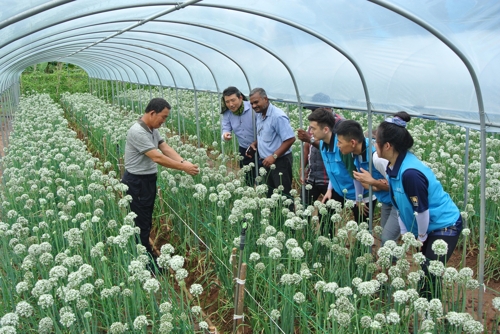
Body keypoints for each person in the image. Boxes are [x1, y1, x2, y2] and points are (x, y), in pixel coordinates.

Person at [375, 111, 462, 298]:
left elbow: (421, 210)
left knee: (430, 271)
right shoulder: (392, 166)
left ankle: (429, 315)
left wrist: (420, 237)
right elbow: (399, 206)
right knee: (424, 269)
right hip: (427, 224)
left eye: (376, 141)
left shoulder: (410, 173)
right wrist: (407, 234)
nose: (374, 145)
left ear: (387, 145)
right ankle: (425, 310)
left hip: (444, 225)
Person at [122, 98, 200, 272]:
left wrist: (184, 161)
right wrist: (183, 167)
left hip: (147, 180)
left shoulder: (151, 129)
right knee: (141, 222)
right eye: (163, 117)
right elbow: (157, 157)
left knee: (146, 219)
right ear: (152, 113)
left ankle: (147, 256)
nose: (163, 122)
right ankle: (146, 263)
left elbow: (165, 147)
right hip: (136, 182)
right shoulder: (137, 131)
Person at [307, 108, 371, 235]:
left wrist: (359, 199)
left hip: (360, 193)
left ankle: (361, 252)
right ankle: (327, 245)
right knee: (324, 213)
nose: (310, 132)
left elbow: (356, 175)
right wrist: (330, 190)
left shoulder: (342, 146)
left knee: (362, 227)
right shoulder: (322, 144)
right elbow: (332, 171)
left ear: (325, 130)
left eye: (313, 128)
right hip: (340, 190)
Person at [335, 120, 400, 245]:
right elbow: (364, 182)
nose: (338, 145)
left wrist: (373, 182)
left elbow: (398, 186)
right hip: (387, 200)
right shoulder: (356, 154)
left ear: (353, 142)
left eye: (340, 142)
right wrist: (374, 186)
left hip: (399, 202)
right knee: (384, 237)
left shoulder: (377, 157)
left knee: (387, 239)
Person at [246, 88, 296, 199]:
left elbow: (290, 139)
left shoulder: (277, 116)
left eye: (256, 102)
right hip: (266, 161)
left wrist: (274, 156)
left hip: (280, 161)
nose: (254, 106)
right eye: (252, 103)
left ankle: (287, 216)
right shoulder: (259, 115)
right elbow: (265, 135)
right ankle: (274, 216)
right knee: (270, 194)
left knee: (284, 195)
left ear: (265, 99)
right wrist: (255, 144)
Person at [296, 93, 344, 206]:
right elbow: (307, 146)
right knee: (303, 210)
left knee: (326, 217)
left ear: (326, 108)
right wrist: (303, 167)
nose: (313, 113)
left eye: (314, 110)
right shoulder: (315, 121)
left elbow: (335, 148)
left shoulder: (341, 124)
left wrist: (310, 139)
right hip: (312, 175)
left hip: (330, 179)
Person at [221, 86, 258, 186]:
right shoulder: (227, 113)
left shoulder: (253, 108)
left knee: (264, 177)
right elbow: (225, 128)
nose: (230, 104)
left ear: (240, 98)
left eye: (233, 100)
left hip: (261, 147)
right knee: (248, 179)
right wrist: (225, 135)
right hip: (244, 149)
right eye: (227, 102)